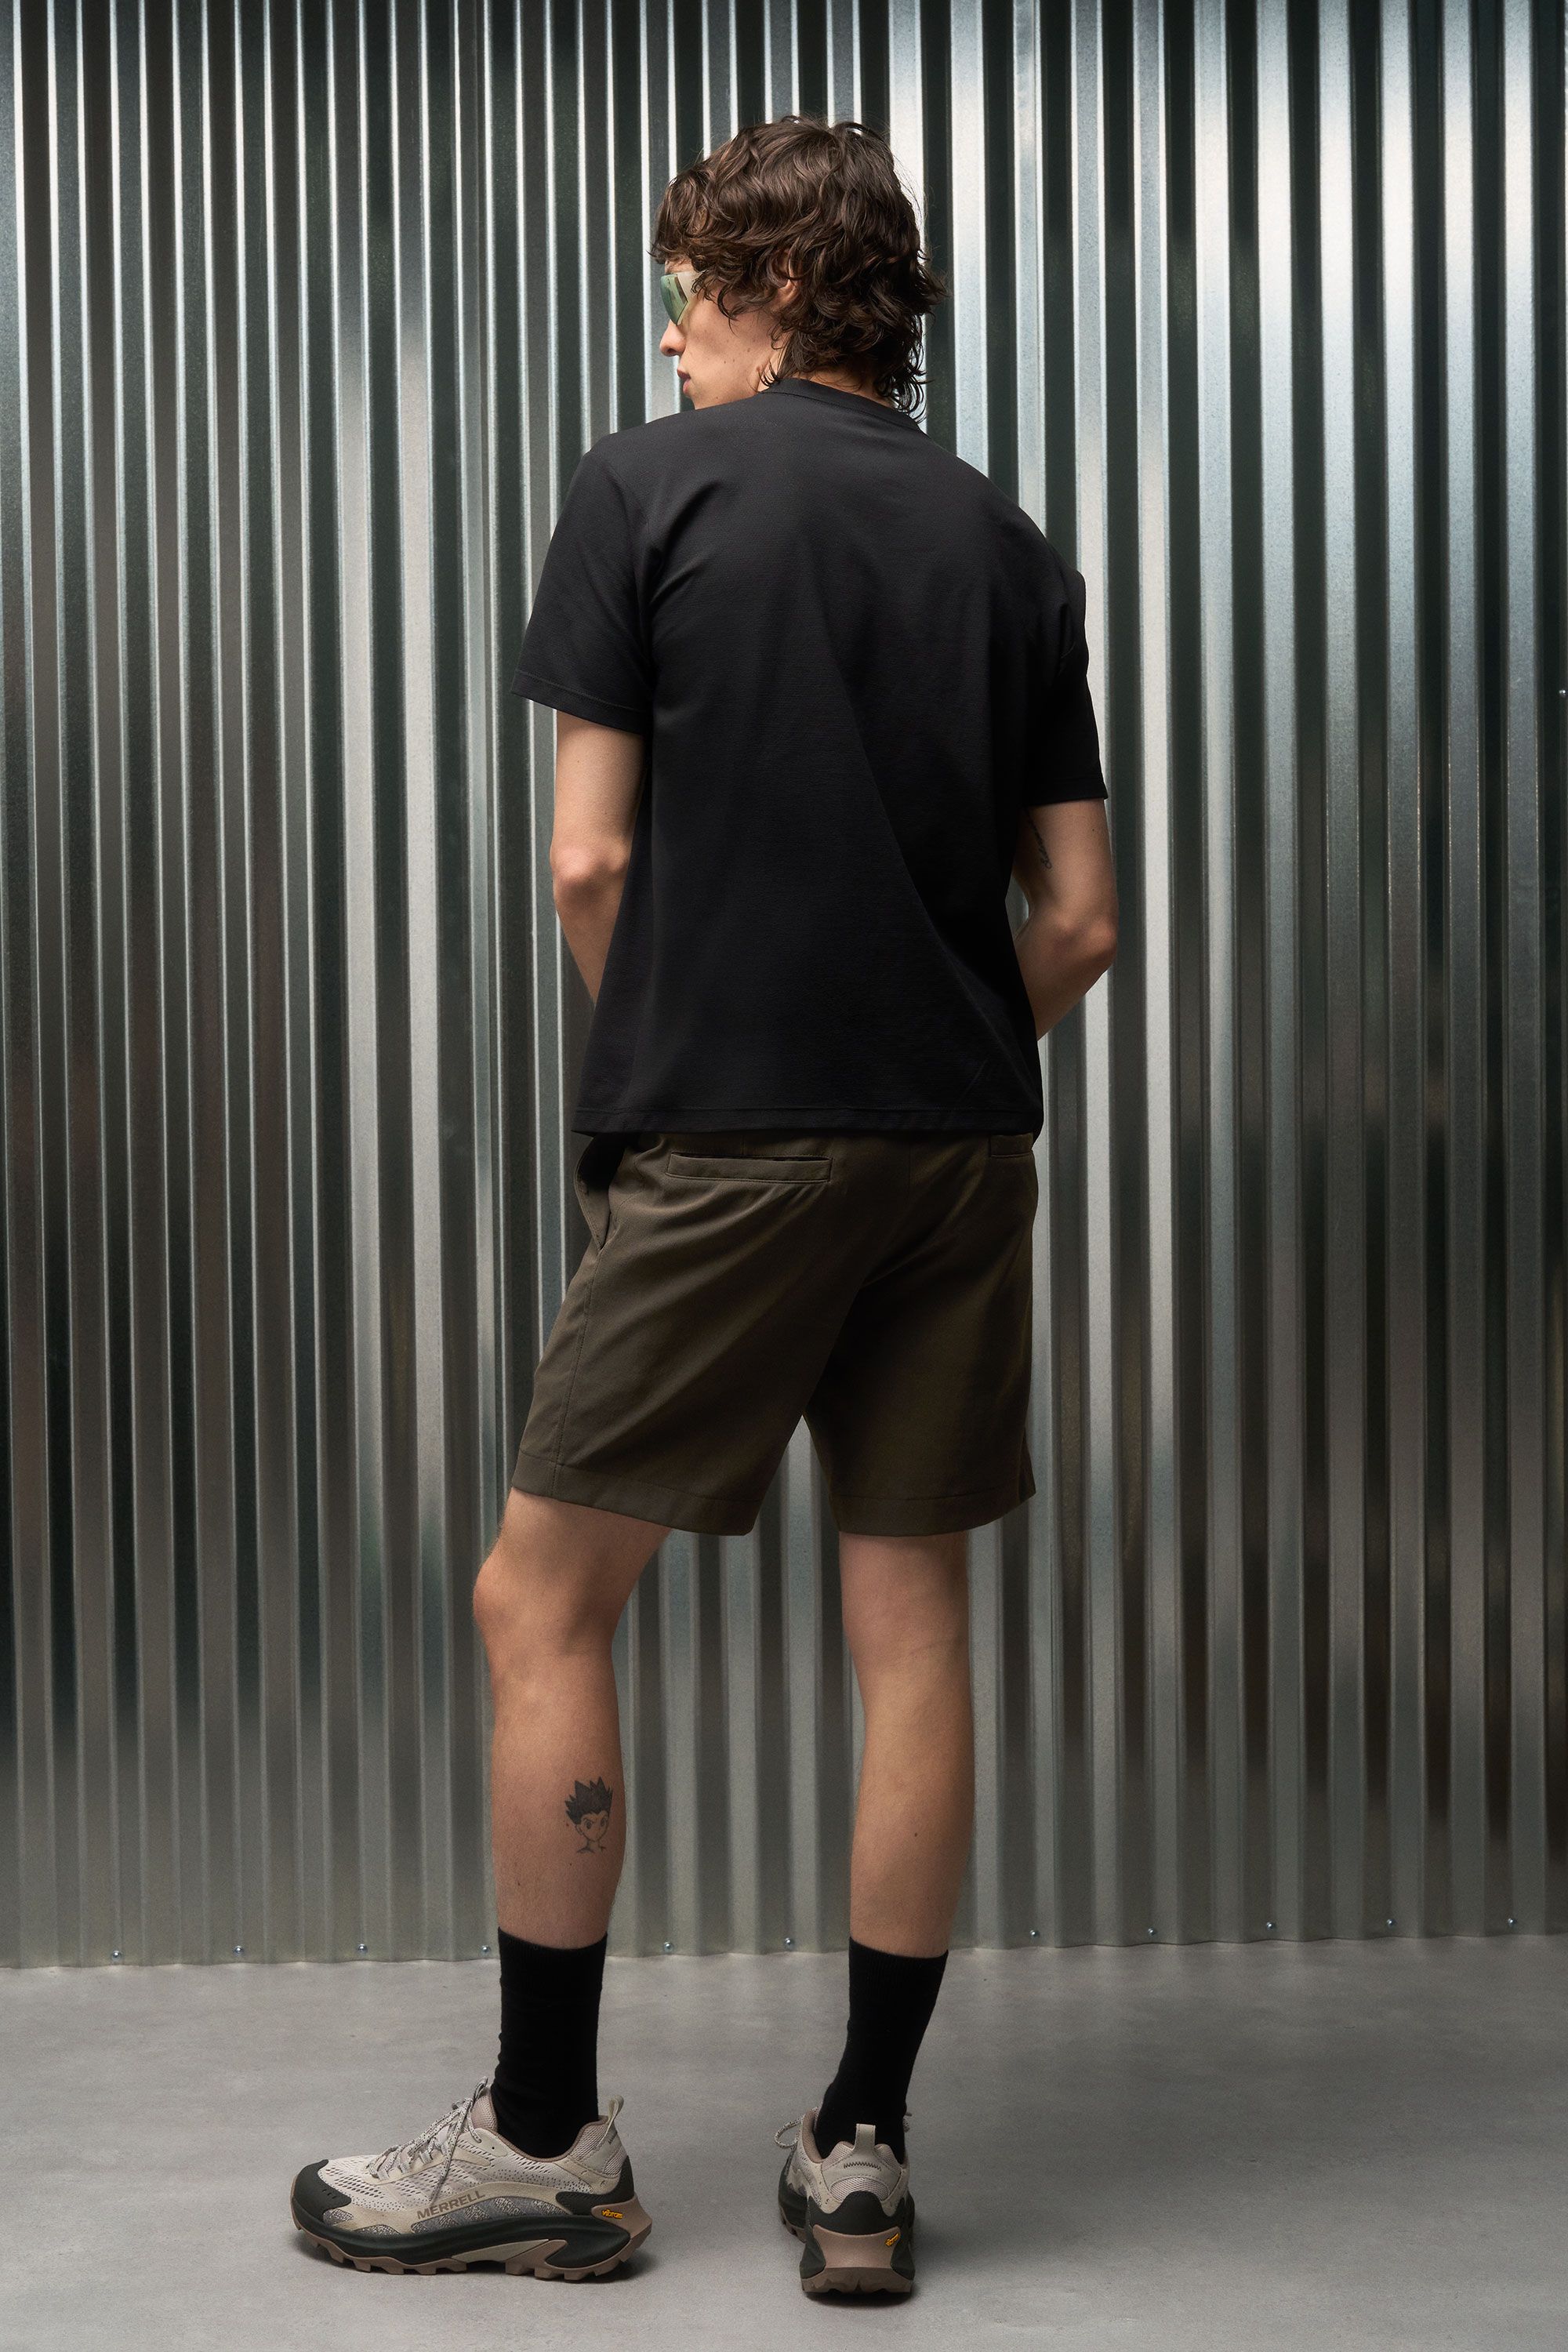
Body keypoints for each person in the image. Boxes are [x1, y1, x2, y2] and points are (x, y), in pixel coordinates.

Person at [289, 112, 1116, 2300]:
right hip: (960, 1152)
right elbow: (1085, 922)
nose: (668, 338)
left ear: (782, 292)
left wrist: (692, 1062)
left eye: (688, 295)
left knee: (541, 1603)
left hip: (735, 1144)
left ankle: (543, 2146)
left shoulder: (645, 490)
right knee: (911, 1627)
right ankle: (862, 2154)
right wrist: (939, 1035)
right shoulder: (1009, 543)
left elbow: (589, 861)